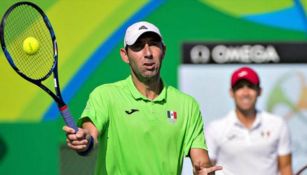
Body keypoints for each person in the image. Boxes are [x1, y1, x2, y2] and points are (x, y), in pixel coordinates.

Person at [63, 21, 222, 175]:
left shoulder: (187, 105)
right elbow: (90, 135)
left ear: (163, 50)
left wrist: (205, 170)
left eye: (153, 44)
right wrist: (85, 141)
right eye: (138, 47)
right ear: (125, 55)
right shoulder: (105, 95)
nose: (148, 53)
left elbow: (201, 161)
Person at [206, 66, 292, 175]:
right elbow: (207, 170)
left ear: (259, 91)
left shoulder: (278, 124)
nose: (245, 93)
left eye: (250, 87)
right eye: (240, 87)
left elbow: (286, 168)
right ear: (231, 92)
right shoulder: (215, 129)